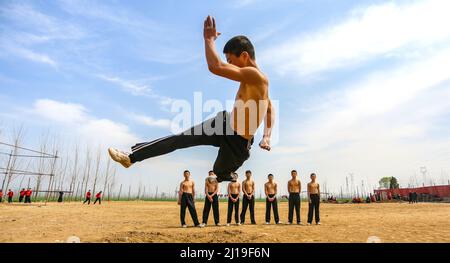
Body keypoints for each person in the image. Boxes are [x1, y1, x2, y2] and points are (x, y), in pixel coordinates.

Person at [107, 15, 275, 184]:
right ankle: (130, 158)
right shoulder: (257, 83)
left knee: (219, 171)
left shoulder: (256, 76)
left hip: (237, 142)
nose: (230, 66)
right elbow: (269, 108)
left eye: (231, 61)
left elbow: (215, 66)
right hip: (225, 123)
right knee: (180, 139)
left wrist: (209, 39)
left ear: (244, 56)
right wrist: (267, 135)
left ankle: (226, 173)